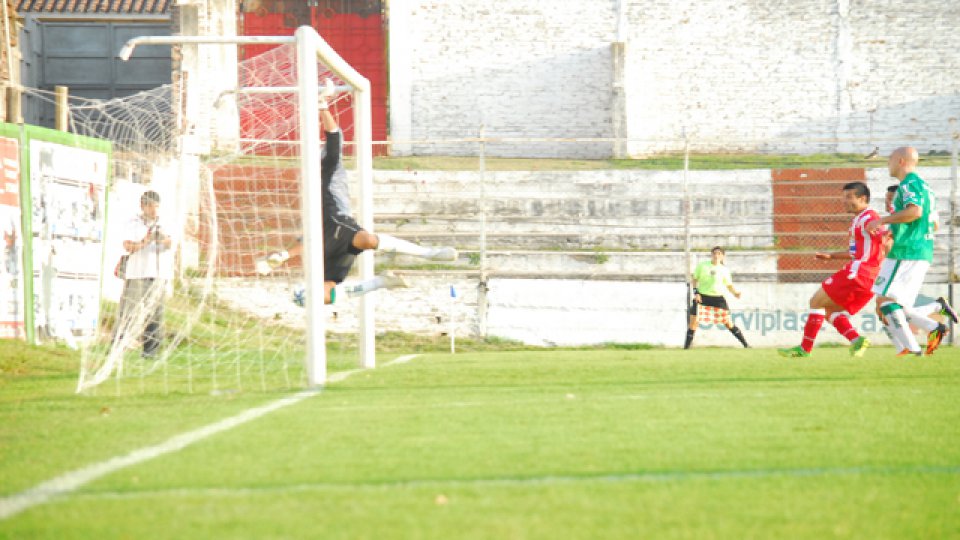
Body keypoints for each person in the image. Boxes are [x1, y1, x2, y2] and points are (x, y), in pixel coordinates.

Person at [257, 85, 456, 305]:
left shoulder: (328, 167)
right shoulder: (311, 177)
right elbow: (309, 239)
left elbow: (334, 137)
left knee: (368, 240)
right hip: (324, 241)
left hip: (337, 223)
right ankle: (381, 282)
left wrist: (322, 107)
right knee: (321, 296)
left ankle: (429, 253)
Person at [778, 182, 884, 358]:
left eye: (849, 197)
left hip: (859, 273)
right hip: (868, 277)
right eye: (843, 198)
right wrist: (831, 256)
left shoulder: (869, 218)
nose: (844, 201)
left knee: (815, 302)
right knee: (830, 312)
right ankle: (856, 340)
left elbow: (886, 237)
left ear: (862, 198)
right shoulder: (857, 220)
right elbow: (855, 252)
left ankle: (805, 348)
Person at [865, 146, 946, 356]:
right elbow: (933, 223)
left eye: (890, 159)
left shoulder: (909, 184)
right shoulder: (924, 186)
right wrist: (895, 231)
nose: (887, 163)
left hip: (906, 252)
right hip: (918, 250)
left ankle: (913, 347)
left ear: (901, 161)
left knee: (885, 301)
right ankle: (931, 326)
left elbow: (915, 211)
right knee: (897, 304)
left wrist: (882, 221)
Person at [114, 190, 173, 358]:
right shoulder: (132, 223)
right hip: (137, 274)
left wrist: (162, 239)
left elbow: (171, 243)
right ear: (142, 206)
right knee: (128, 312)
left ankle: (150, 352)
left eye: (156, 206)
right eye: (150, 206)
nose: (153, 210)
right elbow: (128, 246)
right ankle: (117, 347)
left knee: (156, 315)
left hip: (159, 274)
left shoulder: (164, 222)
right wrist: (146, 240)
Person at [684, 246, 749, 349]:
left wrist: (735, 293)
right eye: (714, 253)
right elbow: (695, 279)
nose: (716, 255)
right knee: (693, 323)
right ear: (711, 255)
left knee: (728, 323)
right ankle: (686, 348)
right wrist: (696, 293)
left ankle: (746, 345)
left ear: (723, 256)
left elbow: (729, 285)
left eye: (719, 254)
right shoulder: (703, 266)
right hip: (702, 297)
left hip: (718, 298)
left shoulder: (724, 270)